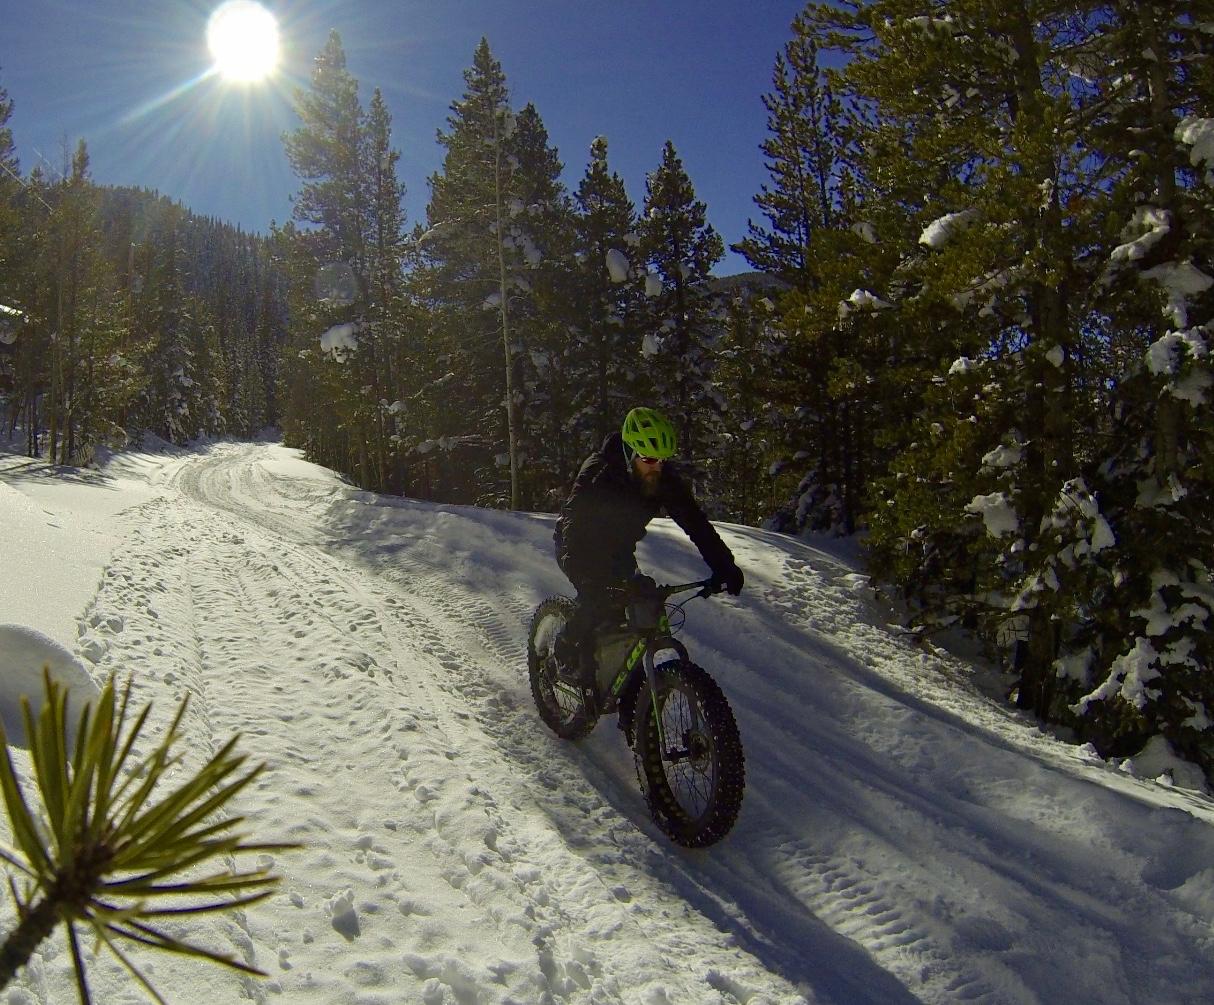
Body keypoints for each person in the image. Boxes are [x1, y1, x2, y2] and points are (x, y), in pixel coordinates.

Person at [552, 406, 744, 684]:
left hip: (618, 550)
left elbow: (696, 524)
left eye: (663, 461)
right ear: (631, 454)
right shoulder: (599, 472)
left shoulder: (662, 478)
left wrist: (724, 565)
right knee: (597, 603)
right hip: (578, 544)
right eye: (650, 459)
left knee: (639, 612)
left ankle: (628, 695)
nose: (657, 467)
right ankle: (565, 647)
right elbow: (574, 518)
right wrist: (584, 573)